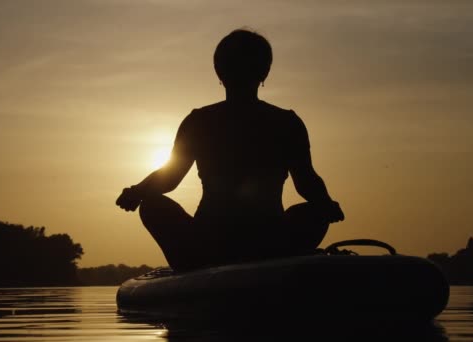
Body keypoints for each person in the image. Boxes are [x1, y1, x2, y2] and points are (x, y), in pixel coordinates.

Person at [116, 29, 344, 271]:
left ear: (219, 72)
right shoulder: (286, 122)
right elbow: (307, 181)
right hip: (259, 241)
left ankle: (193, 265)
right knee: (152, 204)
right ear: (264, 72)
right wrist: (326, 203)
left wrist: (137, 191)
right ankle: (204, 266)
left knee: (151, 204)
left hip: (217, 242)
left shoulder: (200, 121)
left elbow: (170, 178)